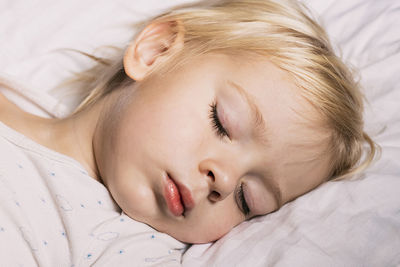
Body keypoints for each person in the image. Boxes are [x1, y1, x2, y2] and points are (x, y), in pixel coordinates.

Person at [0, 0, 376, 250]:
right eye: (222, 124)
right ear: (156, 52)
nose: (225, 182)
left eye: (248, 200)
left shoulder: (124, 248)